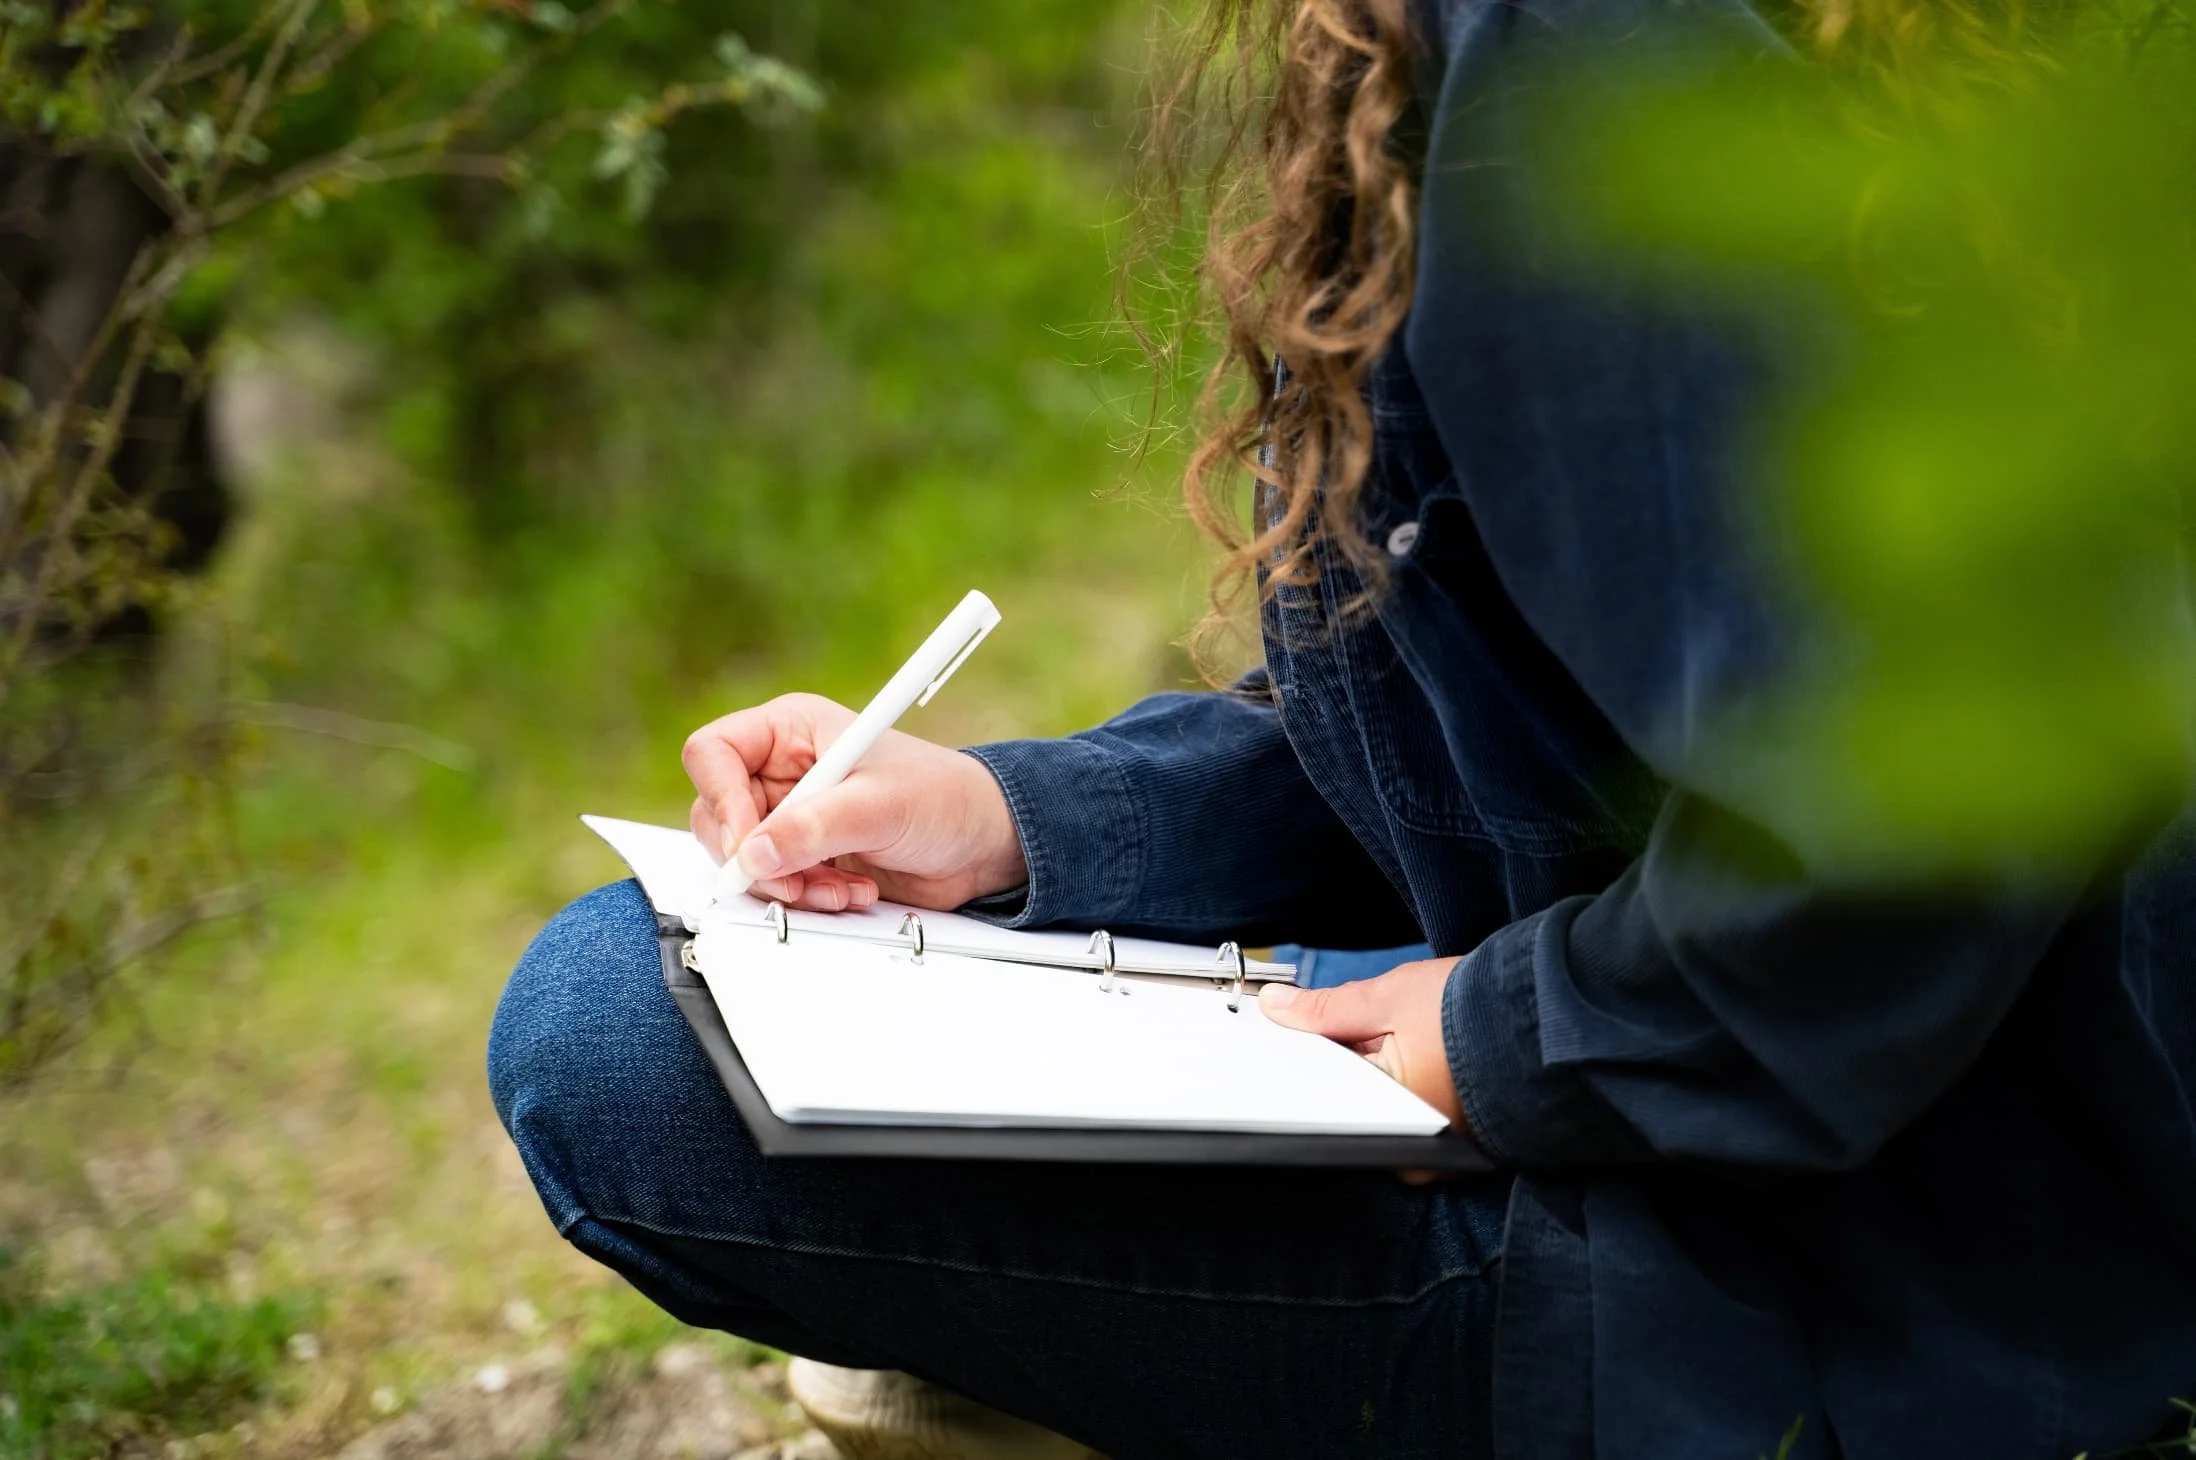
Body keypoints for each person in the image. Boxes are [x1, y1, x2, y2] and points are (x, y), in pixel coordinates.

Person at [488, 1, 2196, 1456]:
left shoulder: (1569, 61)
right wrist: (1026, 823)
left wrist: (1518, 1036)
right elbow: (1516, 719)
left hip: (1853, 1291)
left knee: (619, 1045)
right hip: (1866, 1159)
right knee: (685, 987)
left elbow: (1915, 794)